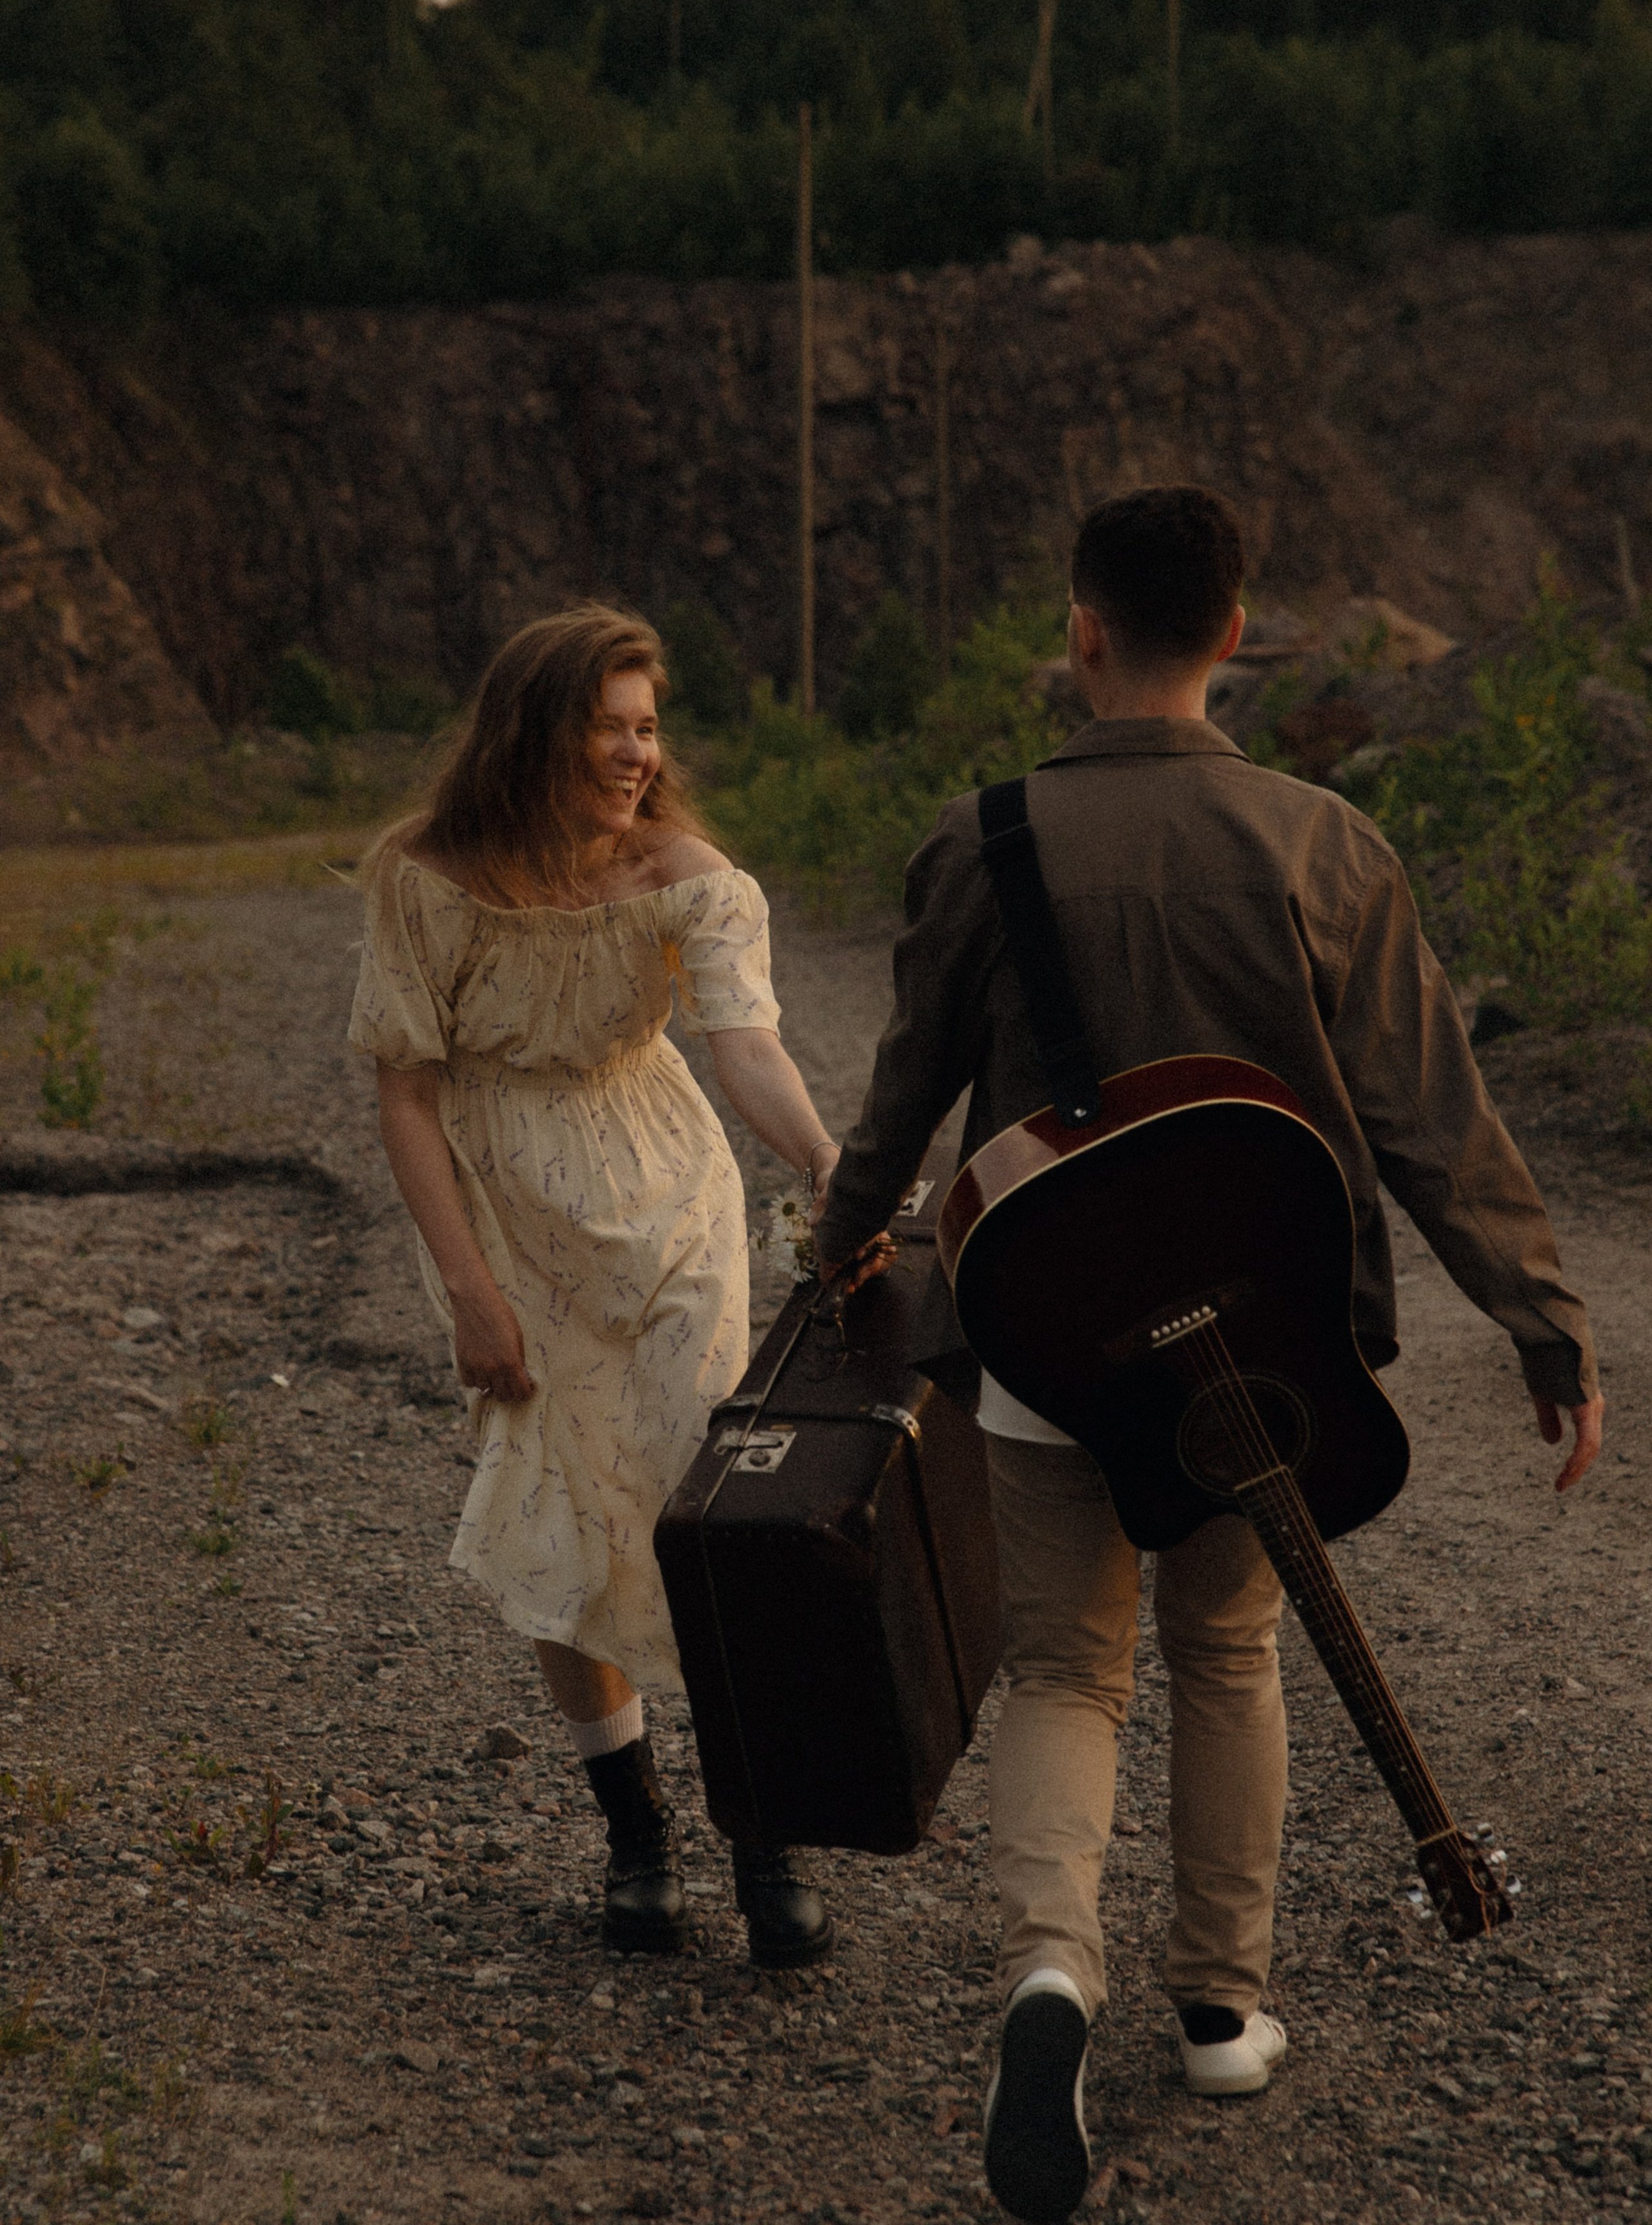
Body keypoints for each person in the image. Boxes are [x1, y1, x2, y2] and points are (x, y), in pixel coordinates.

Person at [815, 486, 1603, 2224]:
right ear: (1237, 638)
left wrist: (834, 1250)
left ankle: (1047, 1975)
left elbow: (898, 1106)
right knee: (1229, 1656)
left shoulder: (980, 837)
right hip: (1266, 1341)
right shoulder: (1322, 841)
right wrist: (1540, 1315)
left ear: (1080, 631)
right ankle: (1223, 2006)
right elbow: (1427, 1114)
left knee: (1062, 1671)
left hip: (1041, 1336)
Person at [348, 603, 843, 1968]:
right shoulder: (424, 876)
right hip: (505, 1208)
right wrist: (464, 1288)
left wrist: (823, 1161)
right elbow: (405, 1089)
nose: (637, 754)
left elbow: (743, 1043)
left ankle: (762, 1831)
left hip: (666, 1188)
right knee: (561, 1517)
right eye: (608, 726)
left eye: (648, 727)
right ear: (533, 730)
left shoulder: (683, 875)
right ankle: (635, 1834)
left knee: (702, 1505)